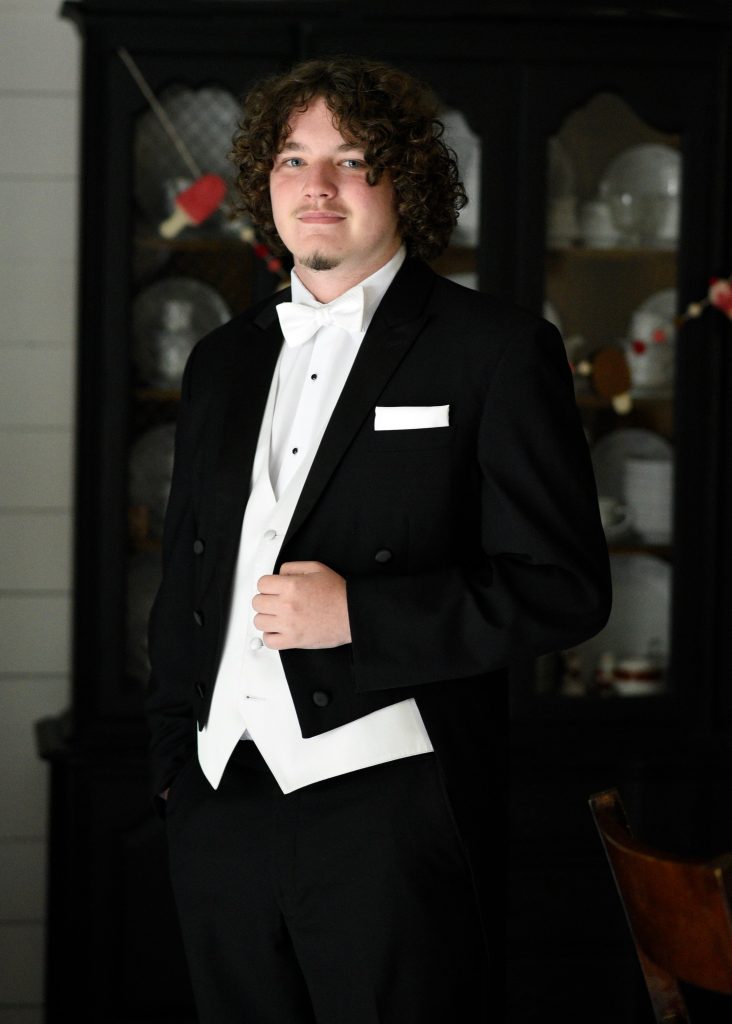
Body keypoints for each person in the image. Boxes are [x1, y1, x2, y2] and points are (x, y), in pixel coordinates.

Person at [145, 55, 611, 1024]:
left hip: (391, 817)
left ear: (405, 178)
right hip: (219, 806)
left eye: (350, 159)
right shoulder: (221, 362)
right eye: (291, 158)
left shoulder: (494, 349)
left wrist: (360, 614)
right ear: (263, 182)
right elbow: (184, 572)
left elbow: (565, 585)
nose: (315, 187)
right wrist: (174, 772)